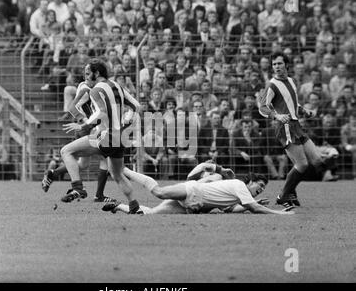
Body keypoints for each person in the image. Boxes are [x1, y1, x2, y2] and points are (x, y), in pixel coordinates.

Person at [60, 59, 143, 214]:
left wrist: (84, 125)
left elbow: (101, 112)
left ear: (96, 73)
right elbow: (136, 106)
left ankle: (78, 188)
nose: (85, 79)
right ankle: (134, 206)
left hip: (105, 136)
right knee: (117, 174)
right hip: (120, 138)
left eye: (87, 74)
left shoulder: (96, 90)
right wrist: (125, 122)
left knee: (66, 151)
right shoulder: (117, 85)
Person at [259, 51, 326, 207]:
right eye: (274, 64)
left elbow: (294, 104)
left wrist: (305, 111)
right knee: (302, 165)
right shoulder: (272, 85)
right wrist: (277, 116)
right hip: (285, 127)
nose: (276, 67)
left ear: (286, 65)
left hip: (297, 125)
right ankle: (283, 196)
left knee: (317, 160)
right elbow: (262, 108)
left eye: (279, 63)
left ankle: (290, 192)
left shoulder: (291, 80)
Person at [102, 162, 294, 215]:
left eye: (262, 189)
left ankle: (119, 206)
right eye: (259, 186)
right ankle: (124, 169)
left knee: (150, 214)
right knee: (158, 192)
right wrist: (217, 169)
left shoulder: (238, 193)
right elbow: (202, 166)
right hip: (191, 190)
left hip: (193, 205)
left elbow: (231, 209)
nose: (260, 190)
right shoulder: (230, 181)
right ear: (250, 181)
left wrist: (249, 204)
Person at [41, 67, 115, 203]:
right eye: (86, 74)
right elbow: (72, 107)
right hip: (89, 128)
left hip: (92, 127)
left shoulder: (95, 88)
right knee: (104, 157)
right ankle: (94, 194)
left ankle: (52, 173)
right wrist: (85, 121)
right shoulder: (86, 88)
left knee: (83, 164)